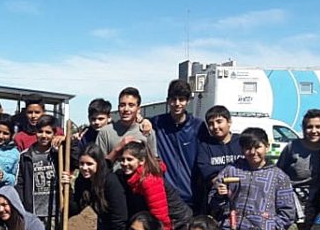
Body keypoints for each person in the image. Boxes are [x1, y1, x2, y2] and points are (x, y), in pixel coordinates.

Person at [15, 115, 64, 230]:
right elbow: (19, 183)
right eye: (41, 131)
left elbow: (74, 158)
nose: (44, 135)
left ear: (54, 133)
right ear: (36, 133)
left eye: (48, 132)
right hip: (34, 213)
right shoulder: (26, 156)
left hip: (53, 212)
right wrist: (22, 209)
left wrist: (66, 141)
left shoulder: (58, 153)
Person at [151, 79, 208, 211]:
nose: (177, 104)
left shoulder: (198, 126)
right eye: (173, 99)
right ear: (167, 100)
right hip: (166, 198)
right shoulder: (157, 123)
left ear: (188, 101)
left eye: (181, 99)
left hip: (192, 197)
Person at [119, 141, 172, 230]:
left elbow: (160, 215)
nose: (125, 163)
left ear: (142, 161)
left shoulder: (149, 180)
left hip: (175, 223)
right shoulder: (133, 178)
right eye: (122, 160)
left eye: (129, 159)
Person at [195, 105, 243, 213]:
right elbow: (207, 173)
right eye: (211, 124)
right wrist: (220, 185)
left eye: (219, 121)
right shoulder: (205, 146)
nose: (215, 126)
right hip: (217, 202)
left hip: (243, 199)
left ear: (229, 122)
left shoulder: (241, 142)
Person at [96, 87, 157, 170]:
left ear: (138, 109)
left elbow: (153, 164)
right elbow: (99, 166)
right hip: (112, 181)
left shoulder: (147, 132)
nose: (126, 109)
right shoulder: (105, 132)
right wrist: (118, 149)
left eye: (131, 105)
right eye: (122, 105)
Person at [71, 98, 111, 169]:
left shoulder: (114, 133)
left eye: (101, 119)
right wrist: (75, 144)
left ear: (109, 118)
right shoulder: (85, 136)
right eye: (93, 119)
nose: (97, 122)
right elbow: (76, 160)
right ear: (88, 118)